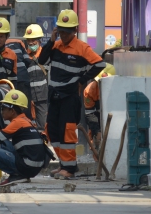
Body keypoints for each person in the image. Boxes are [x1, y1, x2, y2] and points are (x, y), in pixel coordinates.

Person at [38, 9, 106, 179]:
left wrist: (82, 80)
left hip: (69, 97)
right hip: (54, 96)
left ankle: (69, 169)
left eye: (67, 32)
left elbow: (100, 63)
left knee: (67, 131)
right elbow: (41, 60)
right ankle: (64, 164)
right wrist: (51, 42)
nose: (64, 35)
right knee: (53, 130)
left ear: (75, 30)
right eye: (61, 31)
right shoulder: (56, 46)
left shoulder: (82, 48)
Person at [84, 64, 116, 153]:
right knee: (96, 142)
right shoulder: (90, 90)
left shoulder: (117, 89)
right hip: (97, 119)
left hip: (112, 122)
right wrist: (97, 131)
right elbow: (89, 113)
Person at [23, 24, 49, 131]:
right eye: (28, 40)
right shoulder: (24, 56)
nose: (31, 43)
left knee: (43, 125)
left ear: (39, 40)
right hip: (27, 98)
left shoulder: (46, 55)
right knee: (27, 125)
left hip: (43, 96)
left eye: (33, 40)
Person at [5, 36, 35, 122]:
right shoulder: (19, 41)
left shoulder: (0, 44)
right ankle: (27, 125)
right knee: (25, 105)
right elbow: (27, 60)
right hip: (23, 77)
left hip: (11, 81)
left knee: (13, 103)